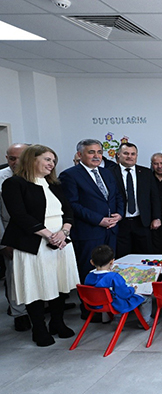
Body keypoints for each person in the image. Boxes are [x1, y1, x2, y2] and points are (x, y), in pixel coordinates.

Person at [2, 145, 79, 346]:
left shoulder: (54, 184)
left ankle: (57, 322)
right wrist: (48, 235)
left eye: (53, 160)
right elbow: (19, 215)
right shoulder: (14, 183)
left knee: (59, 283)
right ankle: (39, 328)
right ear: (31, 159)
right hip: (33, 243)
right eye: (47, 159)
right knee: (35, 285)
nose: (51, 164)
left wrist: (64, 232)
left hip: (60, 241)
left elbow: (68, 211)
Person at [60, 139, 123, 320]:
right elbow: (72, 205)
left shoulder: (107, 173)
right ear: (80, 155)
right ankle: (91, 311)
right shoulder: (70, 175)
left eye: (99, 152)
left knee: (109, 270)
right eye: (91, 152)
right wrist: (99, 220)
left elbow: (117, 195)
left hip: (111, 230)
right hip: (89, 232)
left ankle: (109, 306)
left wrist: (119, 214)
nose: (96, 156)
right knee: (90, 271)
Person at [109, 142, 161, 258]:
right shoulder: (109, 173)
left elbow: (154, 197)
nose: (129, 156)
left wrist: (156, 217)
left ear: (136, 156)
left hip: (142, 221)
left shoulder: (146, 173)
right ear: (118, 155)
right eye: (126, 153)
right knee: (122, 256)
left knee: (145, 256)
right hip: (120, 222)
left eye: (133, 154)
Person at [0, 143, 30, 331]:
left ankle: (39, 308)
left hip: (37, 233)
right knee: (15, 276)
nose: (16, 162)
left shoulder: (38, 174)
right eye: (12, 158)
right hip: (10, 233)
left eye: (21, 157)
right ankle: (19, 313)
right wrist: (3, 243)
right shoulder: (1, 178)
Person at [84, 245, 151, 324]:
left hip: (94, 304)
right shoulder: (114, 276)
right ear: (112, 262)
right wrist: (132, 289)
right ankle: (147, 322)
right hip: (114, 305)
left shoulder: (89, 276)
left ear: (92, 262)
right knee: (147, 298)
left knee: (105, 294)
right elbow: (125, 294)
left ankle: (107, 319)